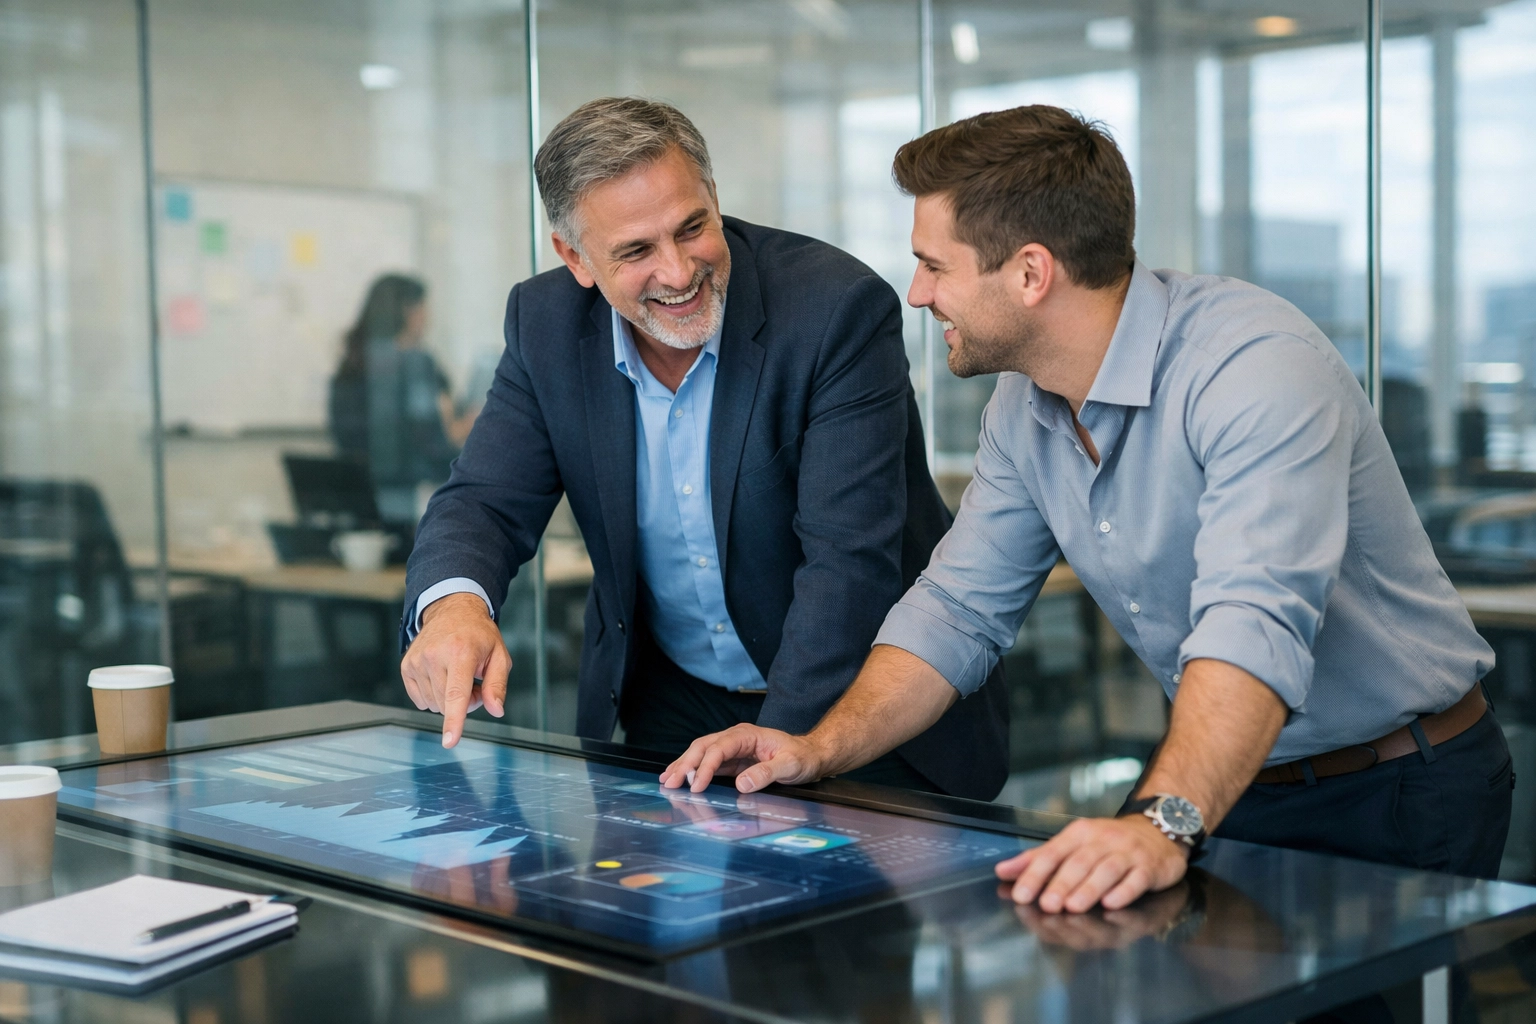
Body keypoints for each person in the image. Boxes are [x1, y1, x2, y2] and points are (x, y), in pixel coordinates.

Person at [663, 105, 1512, 915]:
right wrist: (817, 746)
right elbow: (956, 611)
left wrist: (1159, 825)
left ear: (1031, 273)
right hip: (1227, 785)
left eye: (935, 265)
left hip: (1398, 786)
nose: (918, 294)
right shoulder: (1023, 406)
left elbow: (1253, 622)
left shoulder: (1252, 366)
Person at [396, 98, 1009, 799]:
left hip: (853, 706)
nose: (679, 270)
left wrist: (778, 755)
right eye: (636, 251)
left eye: (692, 228)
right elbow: (484, 500)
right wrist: (455, 607)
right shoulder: (545, 324)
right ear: (574, 257)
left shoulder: (834, 308)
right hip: (671, 707)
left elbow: (846, 565)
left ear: (714, 197)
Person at [329, 274, 476, 523]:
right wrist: (465, 429)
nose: (429, 317)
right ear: (409, 311)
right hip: (414, 499)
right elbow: (431, 444)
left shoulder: (352, 367)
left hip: (359, 500)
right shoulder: (415, 365)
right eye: (424, 307)